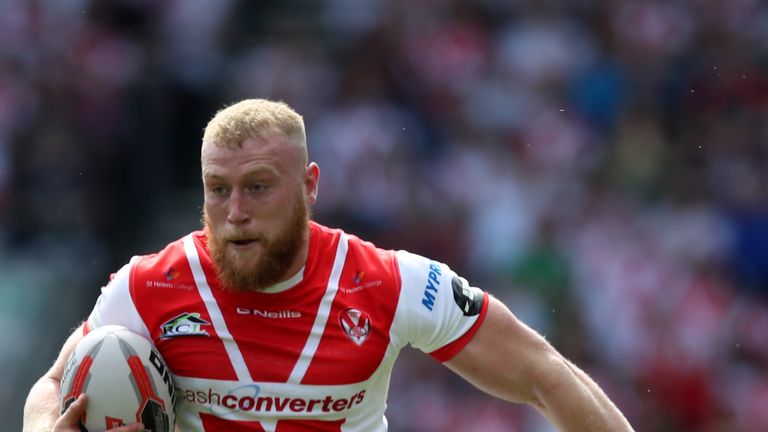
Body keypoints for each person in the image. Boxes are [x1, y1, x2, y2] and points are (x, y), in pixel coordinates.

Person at [24, 99, 634, 432]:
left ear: (310, 185)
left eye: (258, 187)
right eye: (217, 189)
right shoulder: (149, 285)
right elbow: (50, 385)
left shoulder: (390, 284)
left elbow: (545, 375)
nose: (234, 212)